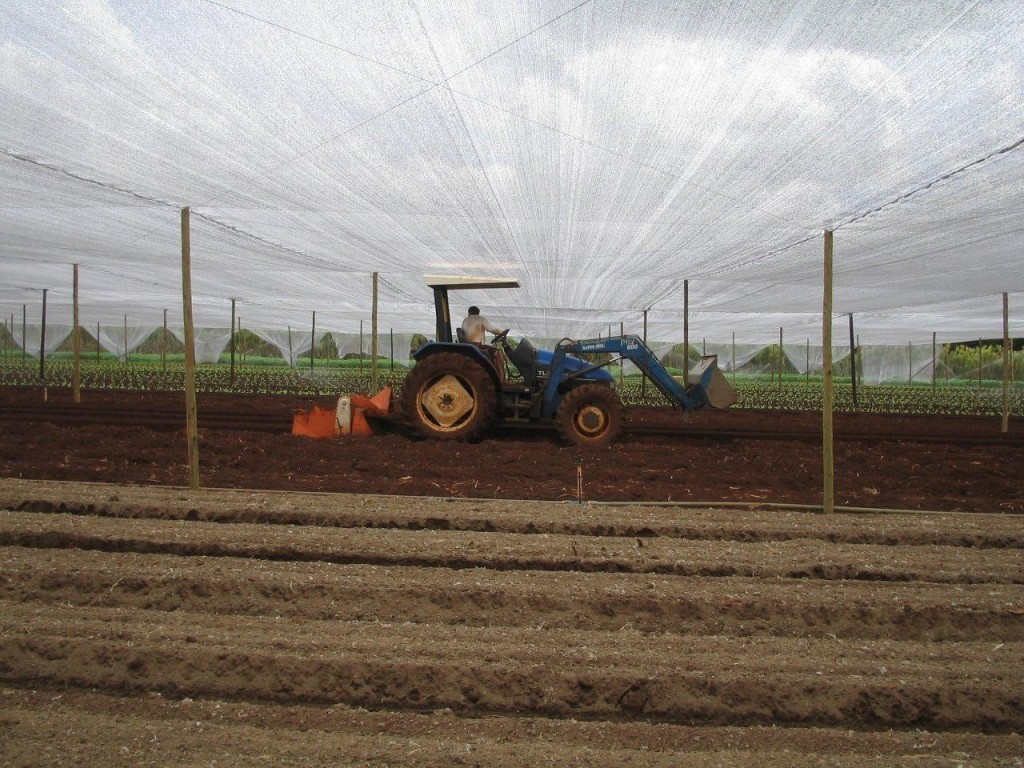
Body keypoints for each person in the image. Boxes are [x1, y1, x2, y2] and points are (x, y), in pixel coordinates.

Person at [461, 306, 508, 380]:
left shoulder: (465, 320)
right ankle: (500, 379)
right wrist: (502, 332)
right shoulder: (481, 319)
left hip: (468, 345)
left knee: (493, 351)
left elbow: (463, 332)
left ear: (469, 313)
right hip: (477, 346)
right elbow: (491, 329)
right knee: (498, 353)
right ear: (478, 313)